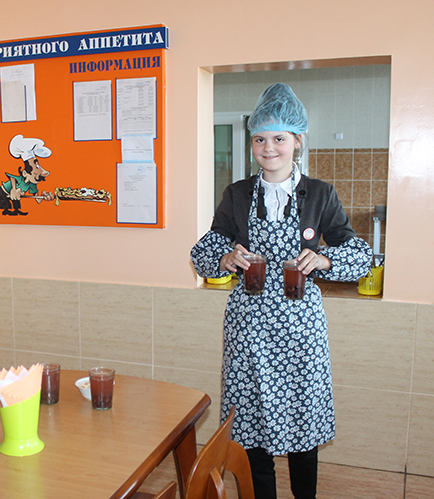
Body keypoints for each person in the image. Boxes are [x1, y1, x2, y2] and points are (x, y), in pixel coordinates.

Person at [190, 83, 372, 499]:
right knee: (251, 429)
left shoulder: (321, 194)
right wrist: (225, 257)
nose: (268, 148)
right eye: (260, 139)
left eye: (279, 138)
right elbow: (204, 251)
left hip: (301, 329)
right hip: (249, 328)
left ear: (297, 141)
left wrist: (323, 260)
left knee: (302, 426)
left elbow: (359, 254)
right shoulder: (236, 194)